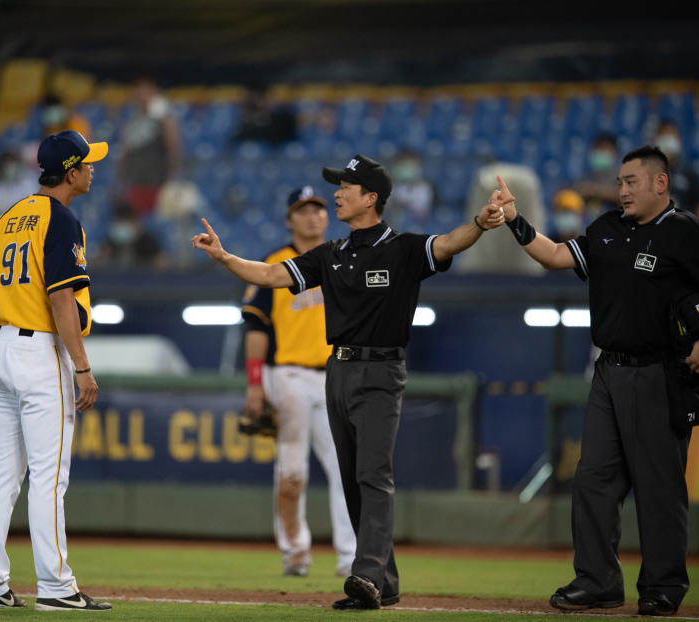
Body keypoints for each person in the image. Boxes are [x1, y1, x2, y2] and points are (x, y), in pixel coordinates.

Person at [193, 154, 507, 610]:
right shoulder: (331, 253)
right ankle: (387, 580)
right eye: (337, 186)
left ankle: (366, 574)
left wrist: (480, 221)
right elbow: (269, 275)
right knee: (353, 481)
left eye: (345, 186)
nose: (337, 193)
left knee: (373, 475)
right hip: (337, 371)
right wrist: (224, 257)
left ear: (371, 198)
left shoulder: (401, 248)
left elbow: (448, 244)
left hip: (380, 371)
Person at [496, 146, 699, 617]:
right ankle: (598, 581)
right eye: (620, 183)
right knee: (593, 480)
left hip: (661, 371)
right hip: (608, 371)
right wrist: (514, 220)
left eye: (630, 182)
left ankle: (664, 585)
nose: (621, 190)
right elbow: (556, 255)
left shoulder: (687, 233)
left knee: (659, 485)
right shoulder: (607, 229)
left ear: (660, 183)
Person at [0, 130, 112, 611]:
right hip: (40, 351)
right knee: (50, 477)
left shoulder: (7, 217)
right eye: (88, 163)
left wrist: (0, 343)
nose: (94, 168)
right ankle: (55, 587)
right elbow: (61, 297)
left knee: (2, 475)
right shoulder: (61, 219)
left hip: (4, 345)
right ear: (70, 172)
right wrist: (83, 367)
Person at [240, 186, 356, 578]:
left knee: (347, 467)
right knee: (292, 470)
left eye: (318, 210)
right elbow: (256, 327)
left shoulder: (342, 258)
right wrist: (255, 384)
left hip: (335, 374)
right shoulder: (275, 263)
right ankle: (295, 551)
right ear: (290, 220)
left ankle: (352, 557)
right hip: (287, 374)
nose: (312, 217)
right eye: (303, 211)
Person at [117, 76, 181, 217]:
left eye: (145, 90)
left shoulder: (164, 120)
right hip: (135, 182)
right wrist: (122, 178)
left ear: (153, 91)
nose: (141, 94)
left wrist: (171, 178)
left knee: (158, 221)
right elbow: (125, 151)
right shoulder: (131, 122)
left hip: (157, 182)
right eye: (138, 90)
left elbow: (173, 149)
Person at [654, 120, 699, 223]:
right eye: (664, 136)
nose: (668, 140)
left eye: (672, 135)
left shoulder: (689, 173)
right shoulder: (647, 173)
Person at [92, 201, 167, 269]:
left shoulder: (148, 242)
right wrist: (101, 259)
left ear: (136, 222)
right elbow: (95, 264)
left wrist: (157, 262)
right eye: (119, 222)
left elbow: (162, 263)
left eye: (125, 222)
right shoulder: (110, 243)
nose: (122, 227)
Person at [572, 133, 620, 217]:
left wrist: (596, 191)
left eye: (604, 149)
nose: (600, 153)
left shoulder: (620, 180)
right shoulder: (585, 179)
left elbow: (623, 197)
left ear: (614, 153)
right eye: (598, 149)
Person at [388, 151, 434, 225]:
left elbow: (421, 213)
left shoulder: (424, 188)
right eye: (404, 165)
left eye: (410, 165)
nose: (406, 168)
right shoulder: (391, 185)